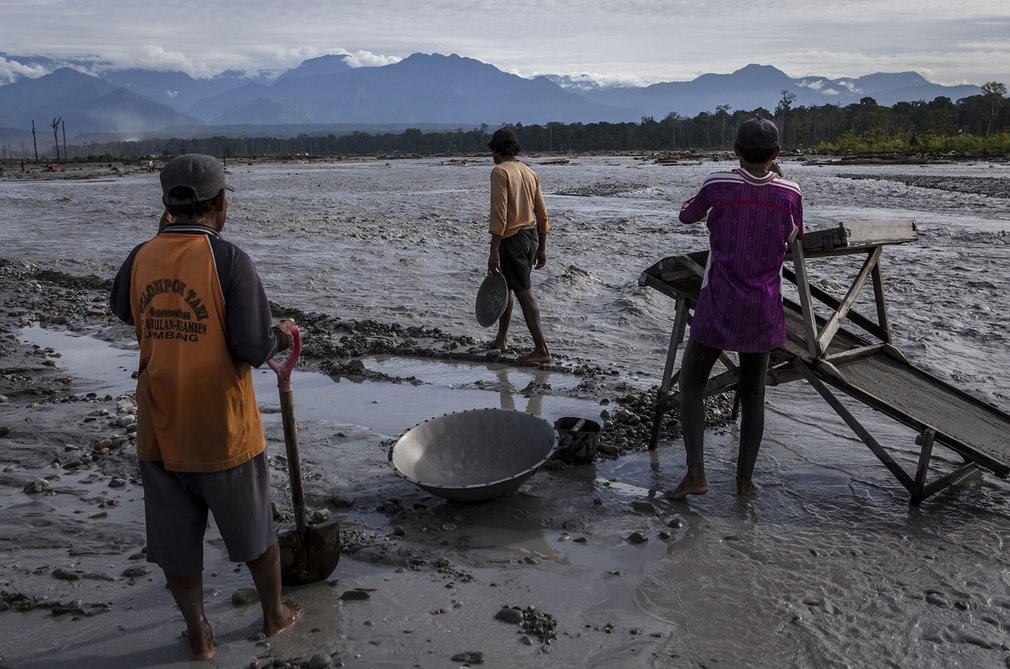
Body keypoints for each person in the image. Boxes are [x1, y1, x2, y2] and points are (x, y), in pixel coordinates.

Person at [110, 154, 302, 660]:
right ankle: (274, 614)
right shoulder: (230, 260)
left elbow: (122, 308)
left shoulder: (141, 256)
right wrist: (280, 335)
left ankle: (199, 632)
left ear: (166, 204)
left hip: (158, 427)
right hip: (222, 429)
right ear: (221, 203)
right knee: (257, 533)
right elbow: (250, 347)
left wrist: (157, 237)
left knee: (177, 545)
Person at [666, 118, 803, 500]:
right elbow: (796, 236)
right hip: (763, 306)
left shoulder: (717, 184)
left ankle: (696, 473)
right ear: (777, 155)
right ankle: (744, 482)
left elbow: (686, 214)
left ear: (736, 152)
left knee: (691, 384)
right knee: (754, 392)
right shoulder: (790, 192)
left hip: (720, 302)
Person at [486, 127, 552, 364]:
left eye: (492, 149)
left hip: (511, 239)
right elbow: (542, 213)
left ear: (496, 149)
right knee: (508, 287)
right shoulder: (529, 171)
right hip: (531, 236)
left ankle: (542, 349)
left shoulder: (499, 172)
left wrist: (494, 249)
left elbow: (500, 216)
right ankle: (501, 339)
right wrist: (542, 247)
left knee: (524, 293)